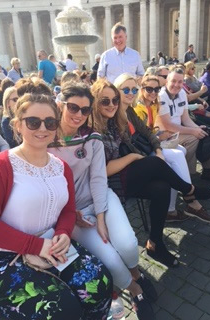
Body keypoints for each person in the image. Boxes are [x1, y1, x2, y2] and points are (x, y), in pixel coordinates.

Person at [0, 93, 112, 320]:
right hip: (8, 254)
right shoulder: (3, 165)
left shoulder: (61, 167)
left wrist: (63, 233)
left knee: (101, 283)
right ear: (18, 125)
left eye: (50, 122)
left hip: (52, 244)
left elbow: (68, 210)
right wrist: (35, 245)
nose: (42, 128)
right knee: (60, 311)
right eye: (33, 122)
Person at [48, 82, 156, 320]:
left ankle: (137, 275)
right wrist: (72, 211)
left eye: (85, 110)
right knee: (109, 259)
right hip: (70, 212)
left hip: (100, 199)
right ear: (60, 105)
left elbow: (98, 178)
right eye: (73, 107)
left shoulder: (92, 138)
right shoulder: (46, 140)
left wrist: (100, 216)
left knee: (127, 244)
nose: (79, 115)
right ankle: (135, 291)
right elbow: (48, 188)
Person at [91, 78, 210, 268]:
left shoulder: (115, 120)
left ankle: (155, 243)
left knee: (161, 187)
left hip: (123, 173)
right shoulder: (94, 129)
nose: (112, 104)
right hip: (107, 183)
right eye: (105, 101)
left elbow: (146, 134)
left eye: (114, 100)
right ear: (95, 102)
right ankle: (190, 190)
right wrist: (135, 157)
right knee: (156, 164)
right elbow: (103, 170)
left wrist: (151, 150)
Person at [125, 73, 210, 223]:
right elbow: (140, 136)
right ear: (141, 89)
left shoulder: (152, 105)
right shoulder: (138, 109)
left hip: (151, 145)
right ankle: (190, 198)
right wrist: (158, 137)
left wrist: (159, 134)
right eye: (149, 89)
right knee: (177, 156)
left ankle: (171, 209)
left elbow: (148, 131)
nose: (153, 92)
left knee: (181, 151)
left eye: (156, 89)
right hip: (141, 152)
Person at [156, 68, 210, 183]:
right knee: (194, 137)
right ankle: (187, 175)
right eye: (173, 81)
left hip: (177, 132)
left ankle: (209, 170)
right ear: (167, 81)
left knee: (203, 132)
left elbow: (185, 118)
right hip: (164, 134)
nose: (176, 85)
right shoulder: (162, 96)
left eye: (180, 82)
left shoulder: (182, 93)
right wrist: (193, 131)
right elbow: (168, 125)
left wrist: (196, 128)